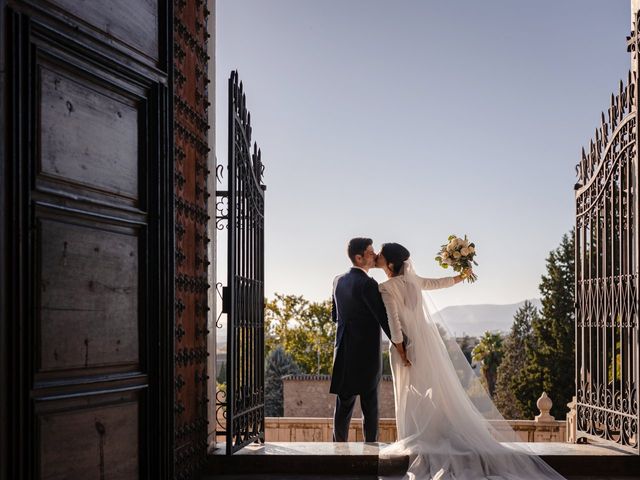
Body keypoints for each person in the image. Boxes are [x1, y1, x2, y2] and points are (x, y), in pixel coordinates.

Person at [376, 242, 565, 480]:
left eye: (381, 254)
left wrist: (401, 350)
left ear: (390, 262)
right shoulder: (414, 282)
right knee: (434, 390)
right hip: (427, 345)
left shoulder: (386, 287)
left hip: (408, 347)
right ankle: (431, 435)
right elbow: (438, 283)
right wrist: (460, 277)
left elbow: (394, 323)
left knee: (409, 393)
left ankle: (417, 437)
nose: (378, 257)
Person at [330, 237, 408, 442]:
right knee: (370, 408)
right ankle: (371, 453)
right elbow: (384, 319)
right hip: (366, 356)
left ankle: (336, 454)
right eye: (371, 253)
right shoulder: (368, 284)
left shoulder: (337, 280)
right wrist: (402, 347)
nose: (374, 256)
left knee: (343, 407)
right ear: (359, 257)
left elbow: (334, 315)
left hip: (344, 352)